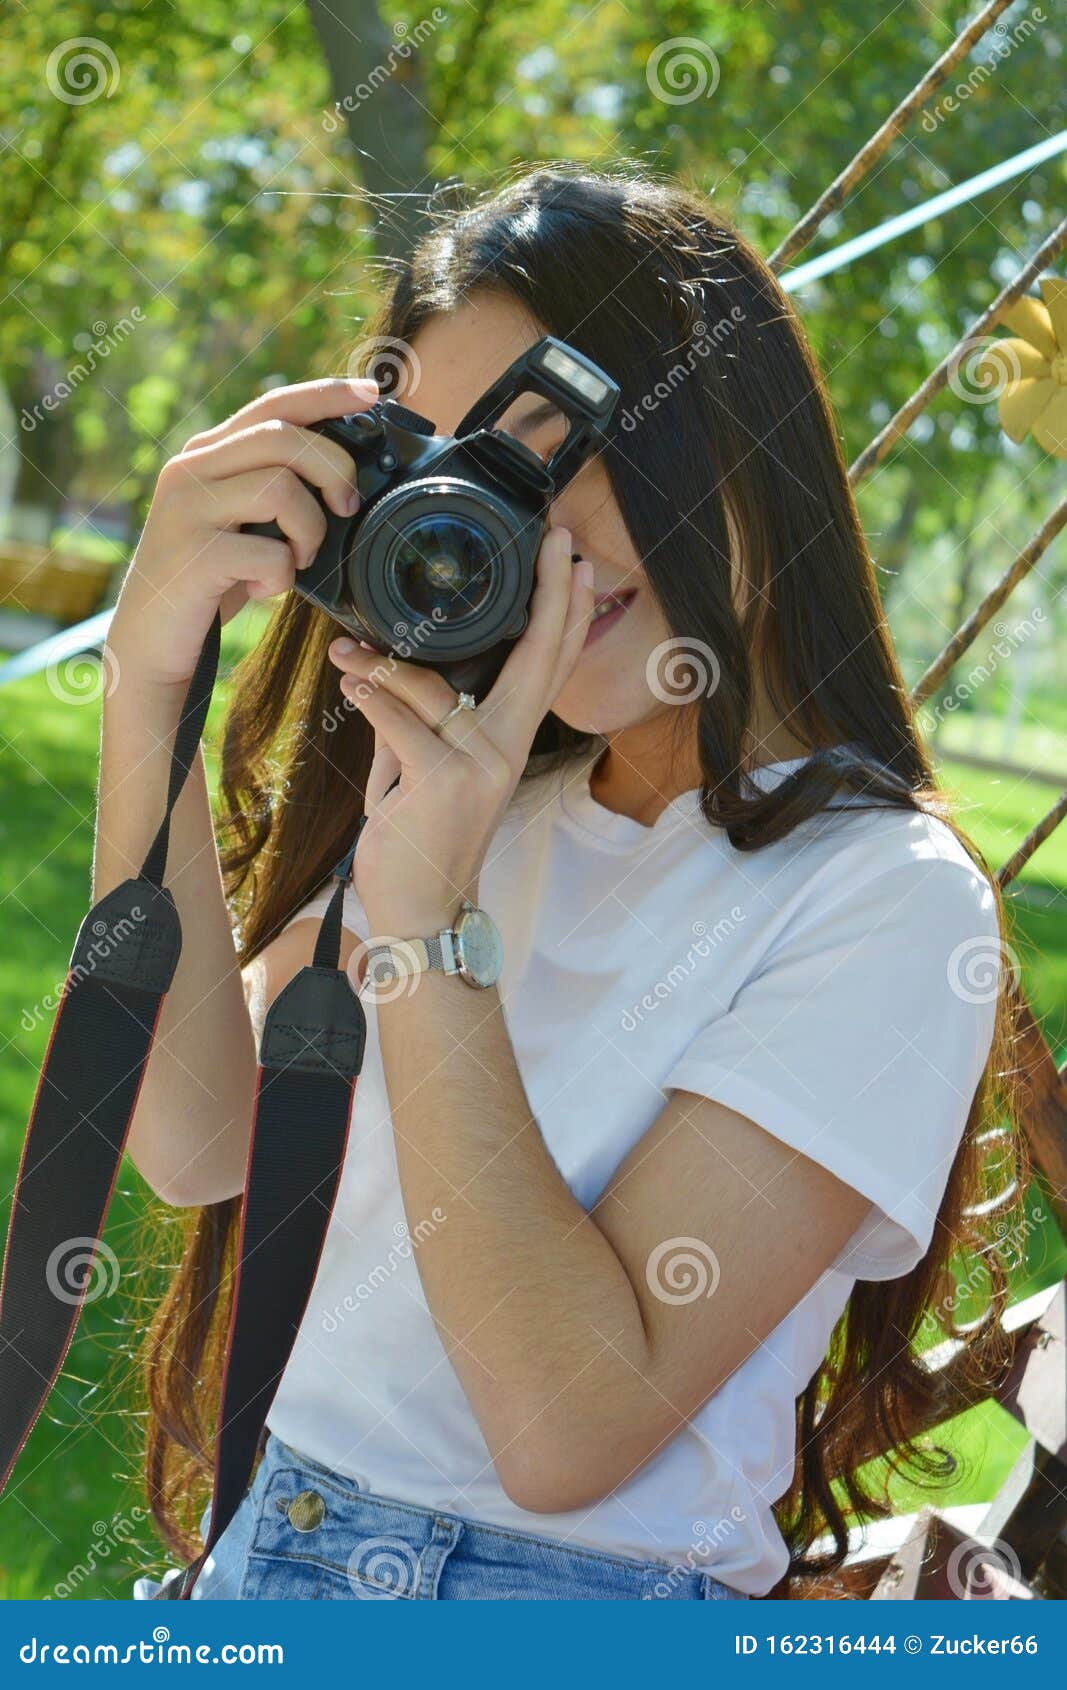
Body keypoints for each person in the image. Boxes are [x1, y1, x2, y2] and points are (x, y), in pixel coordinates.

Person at [104, 167, 1014, 1601]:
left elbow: (567, 1423)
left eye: (548, 440)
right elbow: (201, 1135)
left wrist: (423, 926)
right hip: (268, 1552)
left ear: (725, 434)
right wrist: (148, 681)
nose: (518, 525)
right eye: (450, 472)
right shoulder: (490, 804)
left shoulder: (887, 901)